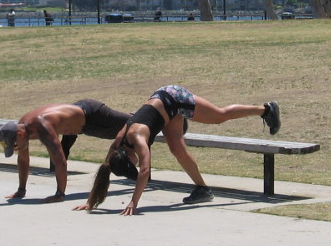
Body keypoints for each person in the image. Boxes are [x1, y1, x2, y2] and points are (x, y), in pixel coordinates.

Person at [74, 85, 280, 215]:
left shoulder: (138, 138)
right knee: (177, 149)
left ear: (129, 156)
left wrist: (134, 202)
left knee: (219, 116)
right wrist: (91, 202)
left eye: (131, 167)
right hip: (165, 110)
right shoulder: (118, 144)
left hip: (174, 98)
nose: (134, 168)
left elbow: (145, 171)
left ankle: (266, 109)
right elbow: (105, 169)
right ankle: (202, 189)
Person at [0, 100, 130, 203]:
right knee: (130, 126)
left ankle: (149, 114)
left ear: (19, 135)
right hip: (79, 122)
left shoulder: (41, 127)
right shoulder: (21, 128)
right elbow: (23, 160)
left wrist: (59, 194)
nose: (16, 149)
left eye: (14, 146)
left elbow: (60, 161)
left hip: (93, 116)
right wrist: (21, 190)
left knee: (132, 123)